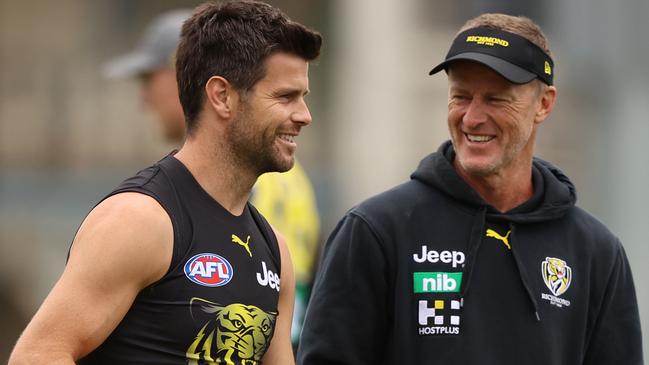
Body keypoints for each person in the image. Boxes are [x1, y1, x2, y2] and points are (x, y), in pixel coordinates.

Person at [298, 13, 643, 365]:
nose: (472, 118)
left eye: (496, 99)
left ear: (544, 104)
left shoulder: (595, 252)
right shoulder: (376, 231)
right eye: (461, 96)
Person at [9, 1, 322, 364]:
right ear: (222, 96)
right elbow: (37, 355)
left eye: (303, 97)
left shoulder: (274, 250)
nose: (304, 116)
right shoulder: (139, 221)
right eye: (285, 97)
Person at [102, 7, 322, 348]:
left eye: (148, 78)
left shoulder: (262, 185)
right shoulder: (143, 211)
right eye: (285, 96)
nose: (144, 99)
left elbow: (260, 304)